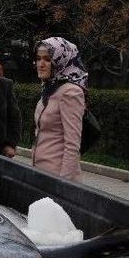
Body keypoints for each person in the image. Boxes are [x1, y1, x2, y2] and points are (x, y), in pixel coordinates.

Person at [32, 37, 86, 182]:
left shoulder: (70, 92)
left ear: (61, 60)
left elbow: (72, 145)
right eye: (38, 58)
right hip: (39, 172)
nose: (40, 64)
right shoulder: (50, 88)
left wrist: (63, 186)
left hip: (57, 177)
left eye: (48, 59)